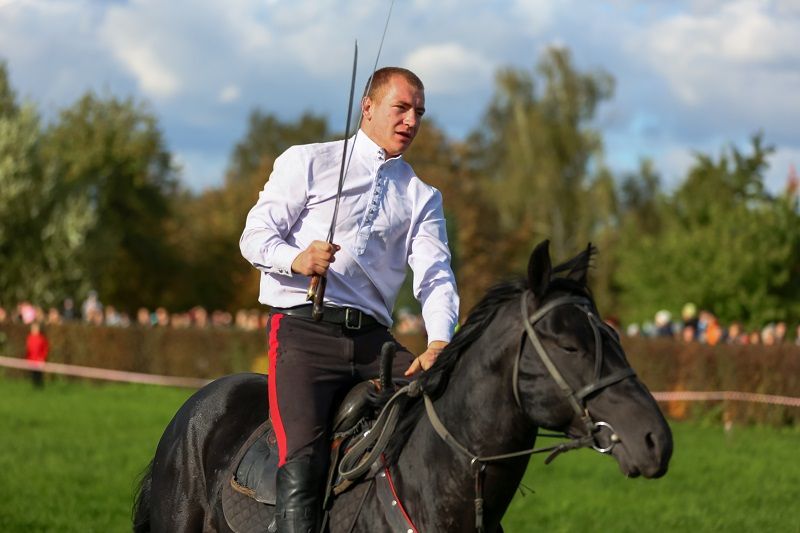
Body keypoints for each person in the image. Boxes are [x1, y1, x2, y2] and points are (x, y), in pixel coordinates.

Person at [240, 66, 459, 533]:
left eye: (418, 112)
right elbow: (254, 236)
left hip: (376, 347)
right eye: (401, 108)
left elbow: (436, 275)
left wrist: (440, 341)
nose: (411, 121)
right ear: (368, 108)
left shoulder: (423, 197)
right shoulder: (308, 161)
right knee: (302, 461)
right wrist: (295, 258)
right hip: (304, 335)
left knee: (449, 422)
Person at [25, 322, 49, 388]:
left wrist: (42, 357)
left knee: (39, 374)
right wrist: (28, 358)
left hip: (39, 359)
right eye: (33, 328)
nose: (34, 330)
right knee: (33, 374)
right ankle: (34, 387)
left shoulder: (41, 338)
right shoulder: (29, 337)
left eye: (35, 328)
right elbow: (28, 349)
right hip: (31, 359)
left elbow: (45, 348)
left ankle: (40, 387)